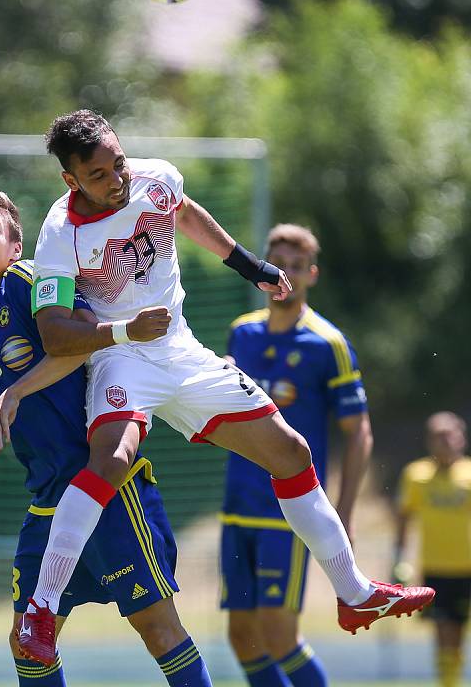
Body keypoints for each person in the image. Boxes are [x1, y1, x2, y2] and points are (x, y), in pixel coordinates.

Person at [0, 109, 433, 665]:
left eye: (119, 164)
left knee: (292, 453)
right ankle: (40, 612)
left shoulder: (155, 178)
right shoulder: (61, 232)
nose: (118, 180)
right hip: (119, 357)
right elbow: (56, 334)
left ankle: (354, 593)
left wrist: (253, 268)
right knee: (111, 459)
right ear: (71, 180)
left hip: (181, 352)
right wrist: (124, 328)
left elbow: (183, 214)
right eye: (100, 175)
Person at [0, 185, 214, 686]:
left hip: (104, 488)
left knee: (158, 630)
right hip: (46, 502)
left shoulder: (30, 278)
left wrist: (14, 392)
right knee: (28, 646)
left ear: (15, 246)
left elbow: (81, 340)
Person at [219, 223, 374, 687]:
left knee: (278, 635)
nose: (283, 273)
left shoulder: (327, 344)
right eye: (276, 263)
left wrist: (341, 511)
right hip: (238, 507)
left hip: (288, 515)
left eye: (294, 266)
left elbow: (358, 430)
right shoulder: (240, 334)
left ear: (311, 274)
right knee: (242, 638)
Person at [394, 411, 471, 687]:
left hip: (468, 567)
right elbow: (404, 518)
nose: (445, 441)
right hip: (437, 568)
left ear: (461, 437)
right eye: (438, 436)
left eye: (450, 434)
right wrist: (399, 558)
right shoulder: (416, 474)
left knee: (458, 634)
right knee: (444, 636)